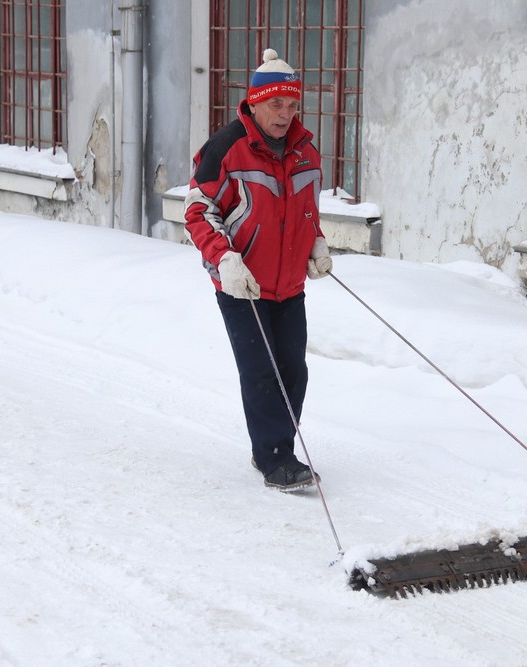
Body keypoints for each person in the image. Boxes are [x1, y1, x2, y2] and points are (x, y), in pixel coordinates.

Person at [185, 49, 332, 492]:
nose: (285, 114)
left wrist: (315, 242)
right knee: (262, 372)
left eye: (292, 105)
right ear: (254, 102)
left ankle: (273, 448)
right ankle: (276, 458)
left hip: (289, 285)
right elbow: (198, 211)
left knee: (293, 372)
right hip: (241, 285)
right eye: (276, 104)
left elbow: (305, 211)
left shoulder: (306, 152)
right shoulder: (226, 148)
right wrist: (224, 259)